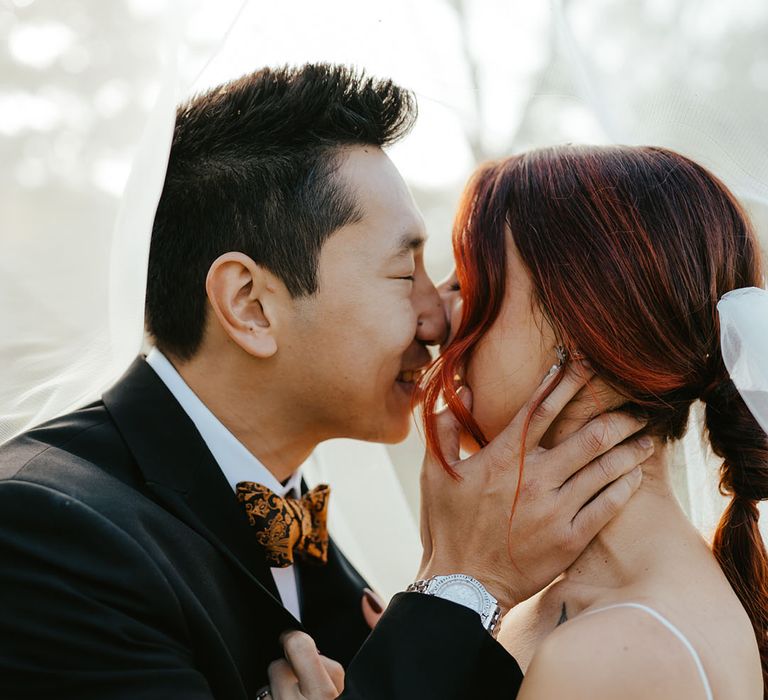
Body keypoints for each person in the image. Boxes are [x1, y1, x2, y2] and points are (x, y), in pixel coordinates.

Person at [0, 65, 650, 699]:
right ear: (251, 305)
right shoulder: (42, 537)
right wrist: (467, 581)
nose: (437, 315)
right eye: (406, 272)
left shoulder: (284, 511)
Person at [425, 144, 767, 699]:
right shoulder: (555, 608)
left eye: (471, 281)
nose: (439, 311)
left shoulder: (613, 650)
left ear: (582, 331)